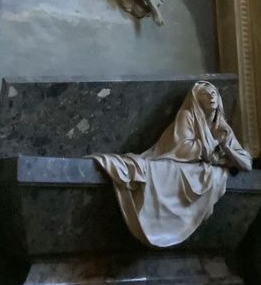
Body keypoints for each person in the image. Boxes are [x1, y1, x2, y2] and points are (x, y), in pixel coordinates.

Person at [93, 81, 252, 248]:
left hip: (201, 163)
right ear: (197, 99)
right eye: (205, 94)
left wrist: (226, 145)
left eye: (213, 93)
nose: (211, 96)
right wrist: (214, 146)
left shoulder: (222, 128)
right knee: (162, 172)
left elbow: (246, 164)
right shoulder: (187, 116)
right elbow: (184, 150)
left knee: (211, 176)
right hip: (173, 159)